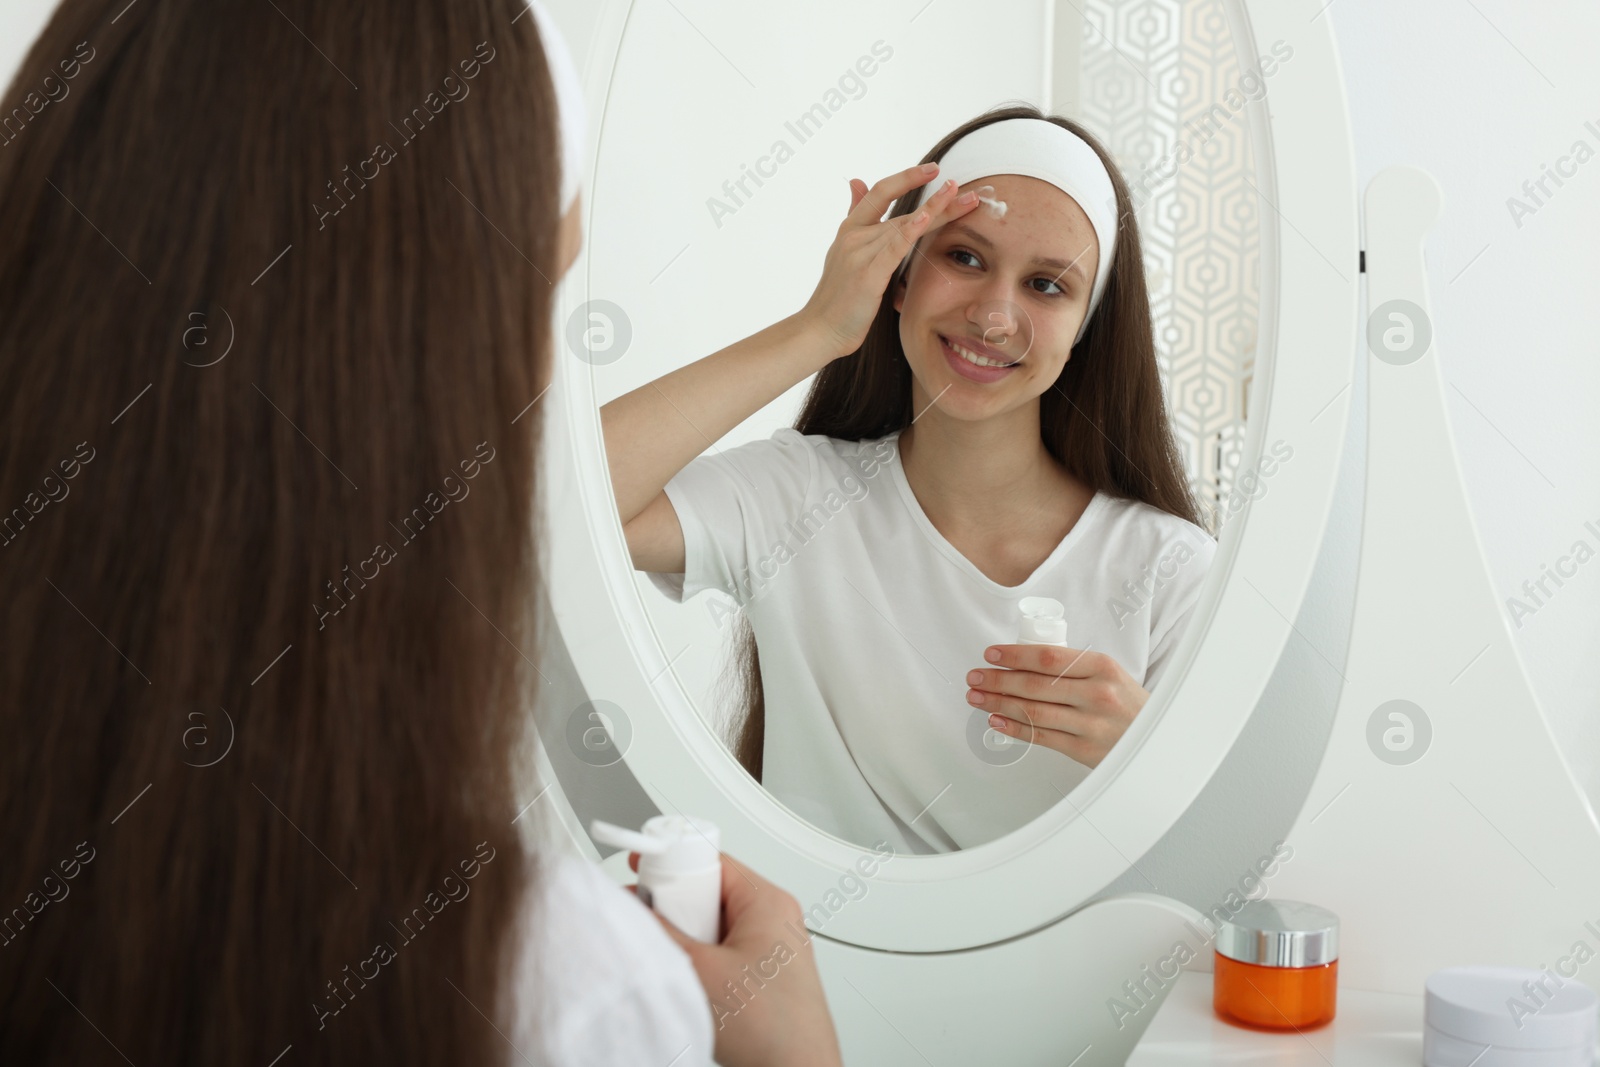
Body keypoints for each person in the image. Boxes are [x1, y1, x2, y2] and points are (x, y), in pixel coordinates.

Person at [0, 1, 840, 1064]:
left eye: (1047, 283)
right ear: (419, 361)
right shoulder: (558, 990)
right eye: (537, 297)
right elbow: (591, 504)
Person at [607, 107, 1217, 855]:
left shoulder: (1171, 570)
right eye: (964, 257)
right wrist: (817, 329)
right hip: (804, 971)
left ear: (1086, 328)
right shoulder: (794, 499)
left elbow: (1219, 869)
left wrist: (1150, 752)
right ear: (898, 276)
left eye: (1047, 286)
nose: (994, 315)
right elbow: (547, 502)